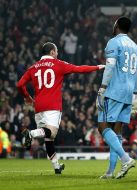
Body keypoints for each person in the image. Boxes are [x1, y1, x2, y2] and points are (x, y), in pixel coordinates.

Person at [17, 42, 105, 174]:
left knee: (48, 138)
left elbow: (19, 84)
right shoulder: (59, 64)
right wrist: (98, 67)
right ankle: (31, 133)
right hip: (52, 105)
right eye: (56, 52)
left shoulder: (33, 67)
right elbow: (79, 69)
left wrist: (28, 97)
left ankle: (56, 166)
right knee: (51, 132)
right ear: (52, 52)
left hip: (39, 106)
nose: (57, 54)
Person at [96, 16, 137, 179]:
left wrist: (102, 87)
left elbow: (109, 66)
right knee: (116, 131)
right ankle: (110, 171)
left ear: (116, 26)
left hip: (115, 90)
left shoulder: (113, 42)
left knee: (102, 126)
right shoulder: (135, 46)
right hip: (129, 92)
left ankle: (126, 159)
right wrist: (135, 94)